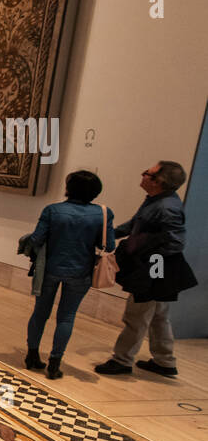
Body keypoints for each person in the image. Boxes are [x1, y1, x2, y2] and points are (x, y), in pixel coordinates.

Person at [95, 161, 198, 377]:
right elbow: (135, 226)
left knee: (138, 312)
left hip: (156, 265)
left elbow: (175, 242)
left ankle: (122, 360)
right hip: (157, 264)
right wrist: (107, 235)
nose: (142, 174)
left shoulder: (166, 207)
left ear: (159, 181)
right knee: (159, 313)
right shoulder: (156, 201)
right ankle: (165, 360)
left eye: (148, 173)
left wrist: (150, 262)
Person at [21, 170, 114, 379]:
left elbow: (37, 239)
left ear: (69, 188)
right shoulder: (103, 214)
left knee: (40, 313)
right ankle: (55, 363)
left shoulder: (53, 210)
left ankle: (32, 355)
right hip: (80, 271)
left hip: (50, 269)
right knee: (67, 317)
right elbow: (107, 244)